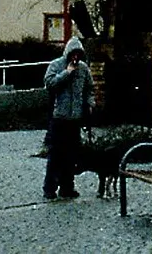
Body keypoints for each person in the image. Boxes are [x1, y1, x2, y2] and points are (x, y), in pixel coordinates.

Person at [42, 35, 93, 200]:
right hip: (59, 118)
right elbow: (49, 83)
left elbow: (89, 88)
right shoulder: (56, 65)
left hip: (75, 118)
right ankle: (49, 188)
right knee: (56, 155)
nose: (76, 58)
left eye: (78, 55)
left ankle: (67, 187)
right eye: (73, 54)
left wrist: (89, 103)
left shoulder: (84, 69)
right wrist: (66, 73)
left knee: (71, 156)